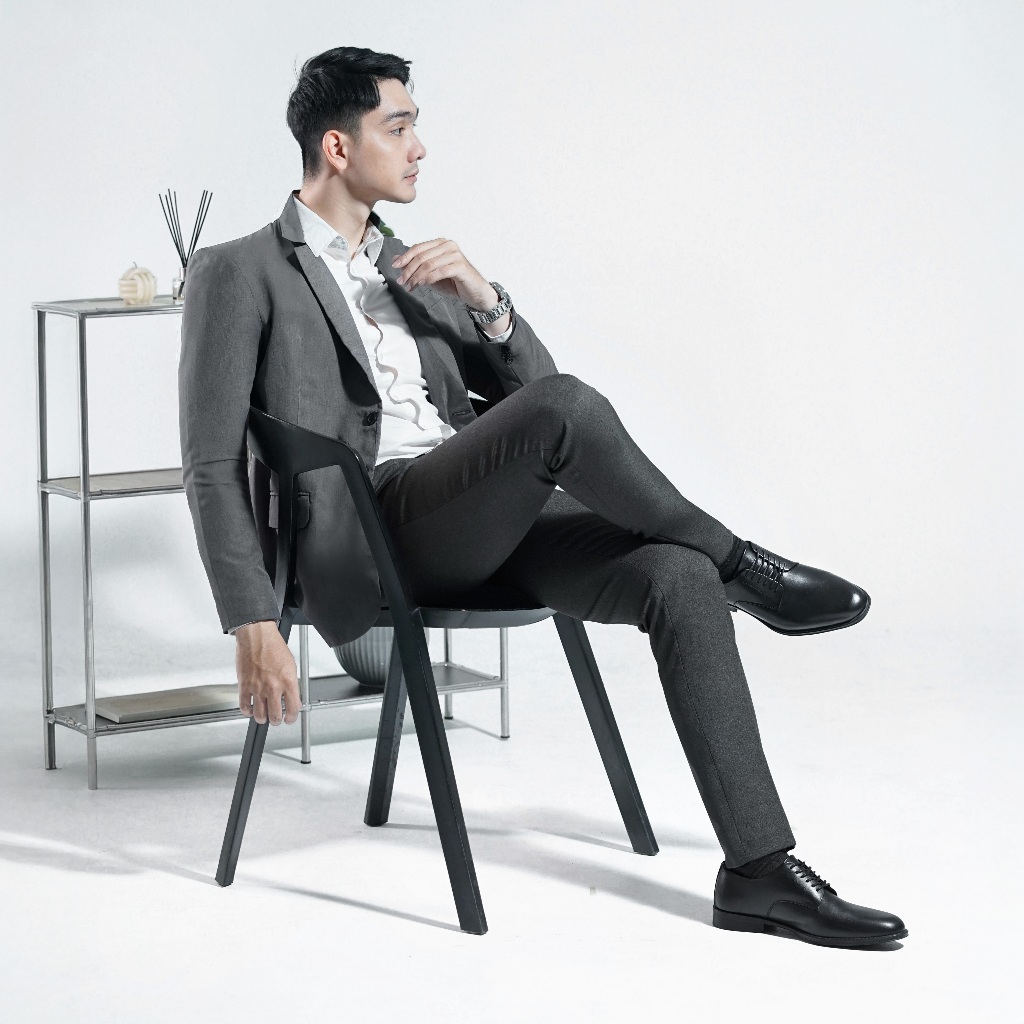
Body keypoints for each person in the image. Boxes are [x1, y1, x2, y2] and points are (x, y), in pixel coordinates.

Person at [178, 45, 907, 949]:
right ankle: (745, 568)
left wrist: (486, 301)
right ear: (337, 146)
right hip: (376, 532)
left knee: (675, 576)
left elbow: (546, 409)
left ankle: (757, 873)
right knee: (573, 418)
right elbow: (209, 462)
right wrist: (252, 621)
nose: (419, 147)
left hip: (478, 515)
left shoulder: (412, 264)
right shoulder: (239, 270)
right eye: (398, 128)